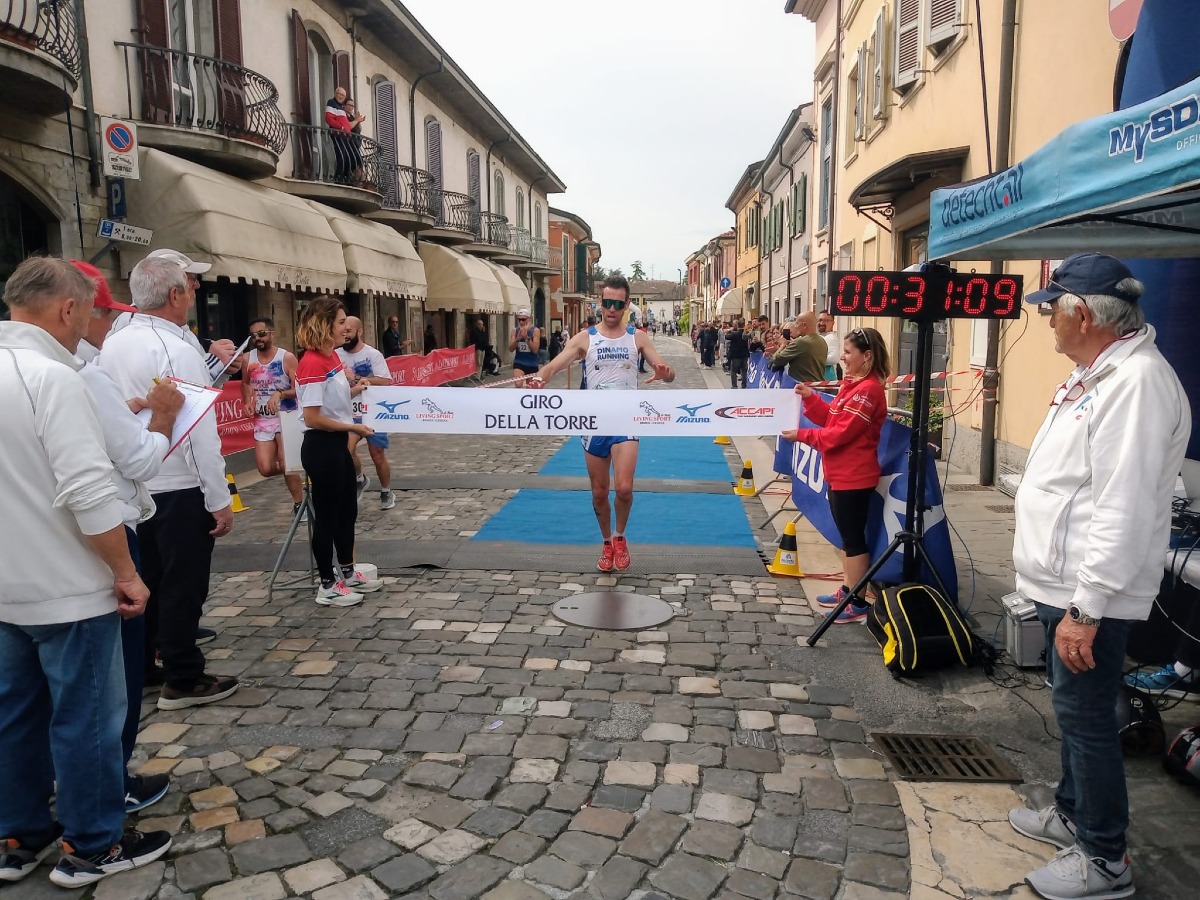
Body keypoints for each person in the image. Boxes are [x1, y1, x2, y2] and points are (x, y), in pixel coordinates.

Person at [1008, 253, 1189, 900]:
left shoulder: (1136, 383)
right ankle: (1072, 812)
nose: (1048, 322)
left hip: (1091, 593)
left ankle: (1105, 856)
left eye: (1052, 309)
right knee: (1073, 711)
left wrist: (1086, 610)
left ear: (1082, 314)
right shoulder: (1102, 373)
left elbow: (1125, 505)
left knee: (1087, 719)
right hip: (1067, 585)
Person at [0, 257, 172, 887]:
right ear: (68, 309)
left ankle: (19, 834)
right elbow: (89, 491)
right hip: (70, 588)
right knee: (86, 720)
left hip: (6, 588)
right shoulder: (55, 376)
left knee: (14, 716)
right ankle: (93, 843)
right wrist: (126, 572)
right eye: (88, 314)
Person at [100, 252, 239, 712]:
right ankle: (183, 674)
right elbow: (201, 433)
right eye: (191, 284)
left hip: (134, 483)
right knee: (183, 584)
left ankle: (142, 666)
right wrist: (219, 499)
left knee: (152, 580)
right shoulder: (177, 349)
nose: (198, 290)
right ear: (175, 294)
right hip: (178, 484)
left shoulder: (114, 342)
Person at [72, 261, 183, 815]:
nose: (105, 325)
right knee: (103, 685)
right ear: (73, 309)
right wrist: (160, 415)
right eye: (101, 312)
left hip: (22, 561)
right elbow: (134, 460)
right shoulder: (80, 374)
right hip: (98, 542)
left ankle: (20, 824)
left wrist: (131, 411)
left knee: (26, 699)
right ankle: (103, 798)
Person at [529, 275, 675, 572]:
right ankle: (606, 541)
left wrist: (665, 373)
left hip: (626, 422)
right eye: (606, 303)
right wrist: (539, 377)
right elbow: (555, 364)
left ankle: (620, 537)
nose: (611, 309)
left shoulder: (637, 336)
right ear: (600, 303)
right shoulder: (586, 338)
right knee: (599, 492)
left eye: (617, 304)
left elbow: (667, 371)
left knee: (623, 489)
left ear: (626, 305)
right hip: (593, 424)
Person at [782, 327, 889, 624]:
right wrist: (810, 398)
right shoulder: (852, 384)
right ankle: (848, 588)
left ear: (866, 356)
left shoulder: (868, 390)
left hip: (854, 476)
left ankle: (857, 600)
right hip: (841, 473)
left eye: (848, 352)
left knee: (854, 540)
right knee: (846, 539)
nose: (842, 356)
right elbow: (831, 417)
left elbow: (840, 434)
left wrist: (802, 436)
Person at [295, 299, 384, 606]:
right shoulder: (311, 363)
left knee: (348, 510)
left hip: (336, 443)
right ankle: (327, 584)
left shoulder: (330, 357)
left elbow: (335, 396)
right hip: (321, 445)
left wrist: (355, 389)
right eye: (341, 321)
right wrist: (355, 428)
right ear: (324, 324)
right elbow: (312, 416)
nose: (347, 326)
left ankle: (346, 571)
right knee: (328, 517)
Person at [239, 318, 305, 517]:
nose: (257, 339)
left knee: (286, 463)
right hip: (263, 419)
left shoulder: (287, 358)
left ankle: (299, 504)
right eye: (253, 336)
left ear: (271, 333)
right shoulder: (247, 359)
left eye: (261, 334)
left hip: (286, 415)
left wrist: (281, 394)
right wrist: (247, 401)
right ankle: (298, 470)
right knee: (265, 469)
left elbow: (299, 389)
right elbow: (246, 383)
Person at [338, 316, 396, 510]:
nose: (345, 335)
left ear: (359, 332)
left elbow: (385, 381)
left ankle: (386, 491)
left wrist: (355, 377)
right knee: (346, 450)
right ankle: (359, 478)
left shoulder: (372, 355)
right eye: (342, 331)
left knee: (376, 454)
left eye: (349, 331)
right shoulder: (335, 355)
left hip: (373, 411)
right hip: (348, 411)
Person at [771, 311, 827, 384]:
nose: (795, 326)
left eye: (797, 323)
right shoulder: (822, 341)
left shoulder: (800, 342)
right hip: (817, 386)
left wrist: (782, 345)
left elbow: (776, 360)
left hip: (801, 387)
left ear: (804, 325)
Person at [325, 86, 356, 184]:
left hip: (345, 137)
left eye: (343, 95)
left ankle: (344, 178)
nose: (341, 96)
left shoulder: (340, 107)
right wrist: (341, 128)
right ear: (335, 94)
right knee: (341, 157)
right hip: (338, 135)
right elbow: (328, 119)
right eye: (339, 94)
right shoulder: (331, 103)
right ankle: (338, 179)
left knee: (346, 157)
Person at [509, 307, 541, 387]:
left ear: (529, 319)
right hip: (519, 362)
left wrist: (527, 338)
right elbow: (510, 349)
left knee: (530, 387)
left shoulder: (535, 331)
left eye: (523, 319)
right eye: (519, 320)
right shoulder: (515, 331)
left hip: (532, 363)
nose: (521, 322)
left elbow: (535, 350)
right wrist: (517, 339)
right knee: (518, 384)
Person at [341, 97, 366, 184]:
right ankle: (354, 179)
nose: (351, 107)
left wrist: (358, 121)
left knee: (358, 161)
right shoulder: (343, 115)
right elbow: (347, 127)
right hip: (348, 144)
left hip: (355, 144)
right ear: (344, 105)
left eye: (353, 106)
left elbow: (358, 129)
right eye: (349, 105)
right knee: (352, 162)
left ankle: (359, 180)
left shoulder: (352, 117)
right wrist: (356, 120)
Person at [726, 317, 751, 388]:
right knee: (744, 370)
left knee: (733, 371)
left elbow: (727, 337)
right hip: (744, 355)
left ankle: (734, 385)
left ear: (737, 325)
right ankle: (744, 384)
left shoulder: (734, 334)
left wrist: (729, 331)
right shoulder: (747, 333)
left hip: (735, 356)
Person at [817, 310, 840, 381]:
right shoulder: (821, 337)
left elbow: (834, 359)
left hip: (827, 381)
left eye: (825, 320)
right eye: (820, 320)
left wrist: (813, 360)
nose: (821, 323)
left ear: (833, 322)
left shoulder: (831, 338)